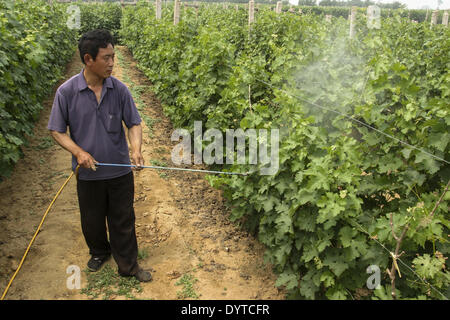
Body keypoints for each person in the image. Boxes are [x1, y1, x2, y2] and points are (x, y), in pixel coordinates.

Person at [47, 29, 151, 282]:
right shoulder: (67, 92)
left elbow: (134, 123)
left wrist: (135, 149)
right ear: (88, 59)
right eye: (106, 57)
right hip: (88, 173)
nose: (112, 63)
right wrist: (79, 152)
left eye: (113, 56)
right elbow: (57, 131)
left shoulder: (120, 90)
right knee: (92, 219)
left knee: (123, 218)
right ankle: (99, 251)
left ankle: (128, 264)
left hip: (119, 171)